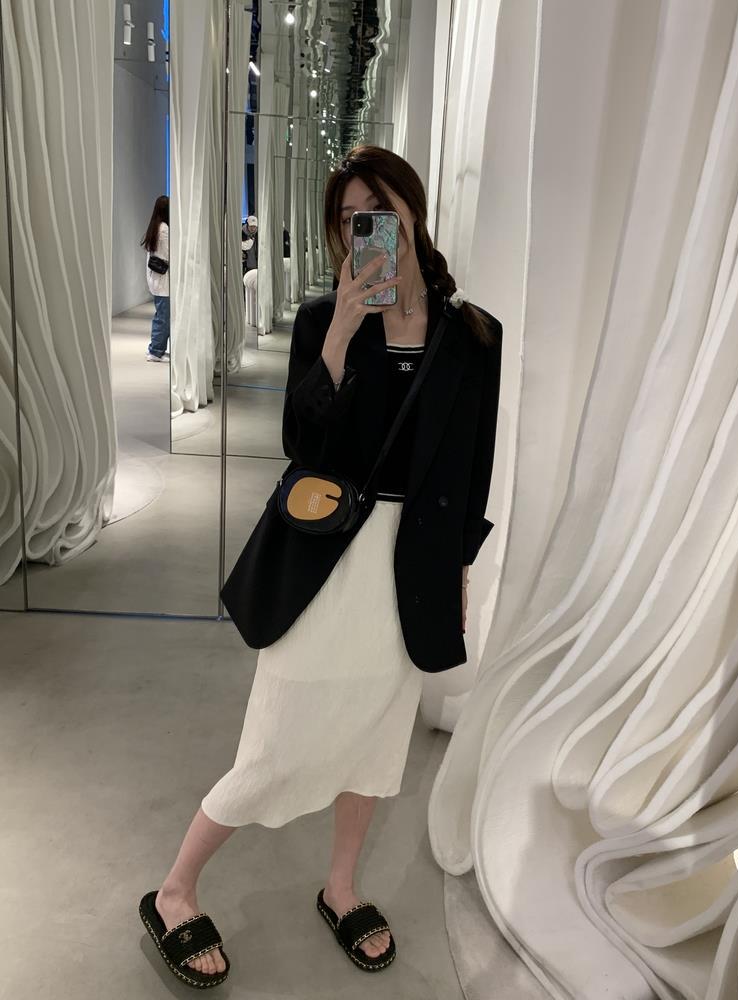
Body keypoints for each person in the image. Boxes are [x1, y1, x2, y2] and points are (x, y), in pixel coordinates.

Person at [139, 146, 503, 989]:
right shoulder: (321, 320)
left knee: (376, 741)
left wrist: (459, 568)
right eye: (349, 217)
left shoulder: (473, 335)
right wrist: (341, 331)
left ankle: (341, 887)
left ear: (411, 210)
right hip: (327, 559)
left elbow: (472, 470)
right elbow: (302, 444)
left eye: (379, 208)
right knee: (274, 743)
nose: (364, 225)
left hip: (411, 571)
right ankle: (174, 889)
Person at [141, 195, 170, 361]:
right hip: (163, 280)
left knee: (161, 315)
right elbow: (168, 254)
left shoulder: (155, 226)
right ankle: (156, 351)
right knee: (163, 317)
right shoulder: (164, 229)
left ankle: (156, 348)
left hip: (157, 279)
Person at [242, 214, 261, 331]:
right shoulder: (241, 234)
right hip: (245, 265)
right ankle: (246, 308)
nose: (253, 228)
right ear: (247, 225)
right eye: (251, 226)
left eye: (255, 227)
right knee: (245, 287)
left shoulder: (258, 234)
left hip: (256, 264)